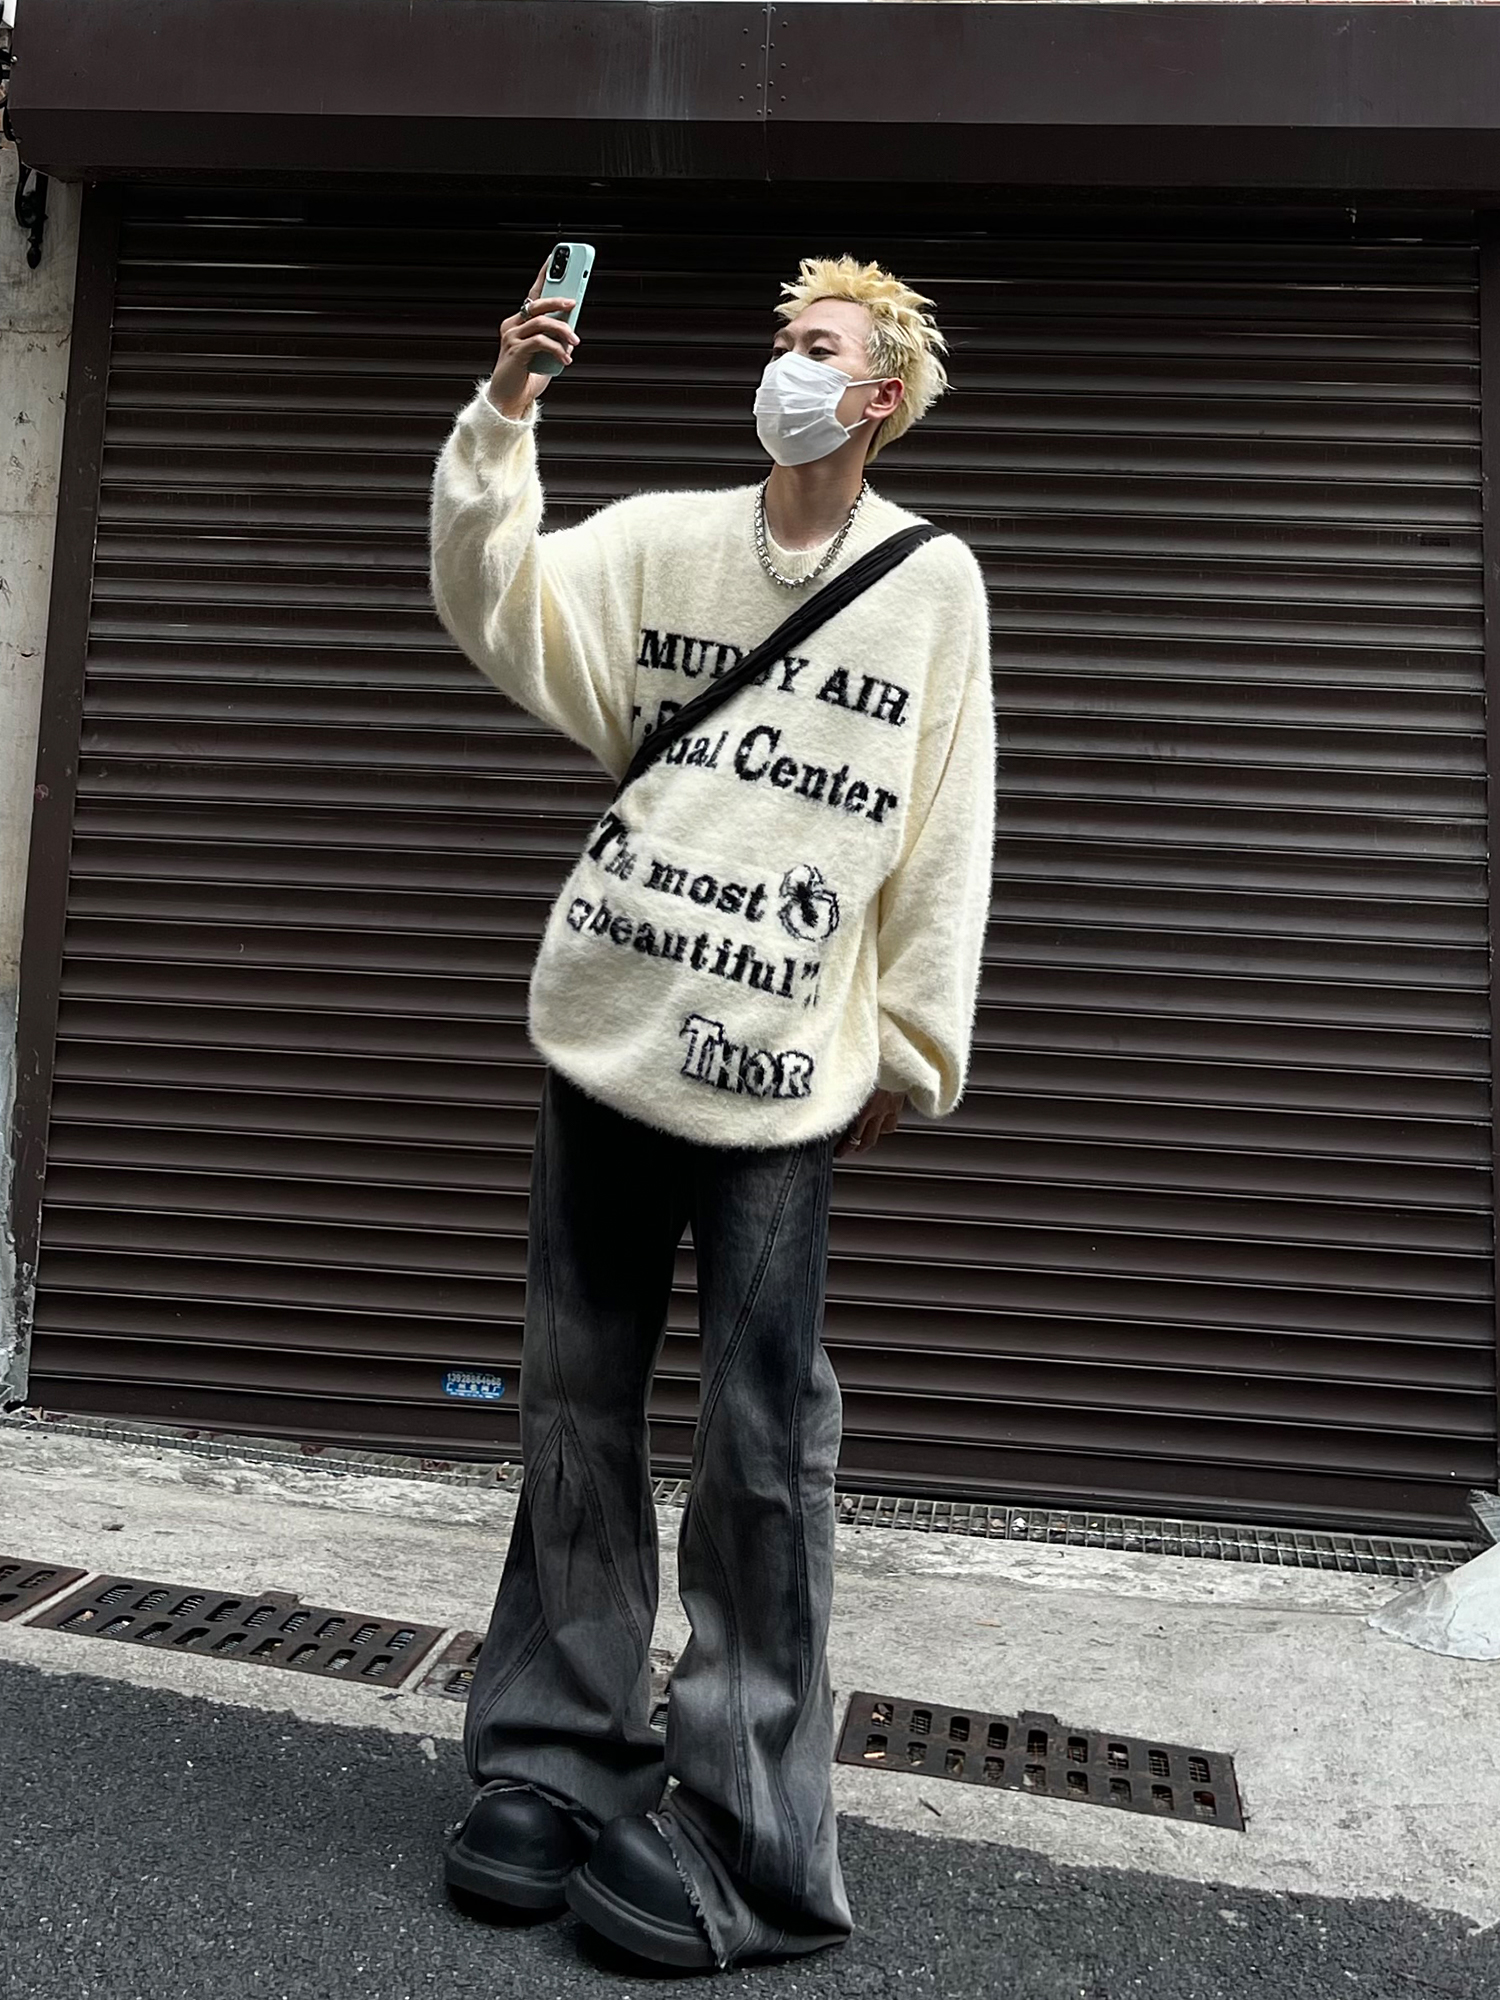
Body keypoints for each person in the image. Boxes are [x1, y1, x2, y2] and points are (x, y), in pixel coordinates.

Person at [427, 253, 995, 1972]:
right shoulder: (671, 539)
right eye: (780, 341)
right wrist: (507, 409)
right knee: (573, 1403)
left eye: (817, 348)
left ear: (880, 394)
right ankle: (556, 1754)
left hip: (782, 1070)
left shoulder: (929, 581)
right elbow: (498, 596)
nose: (784, 367)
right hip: (612, 1028)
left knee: (760, 1446)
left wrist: (911, 1040)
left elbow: (944, 813)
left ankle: (755, 1835)